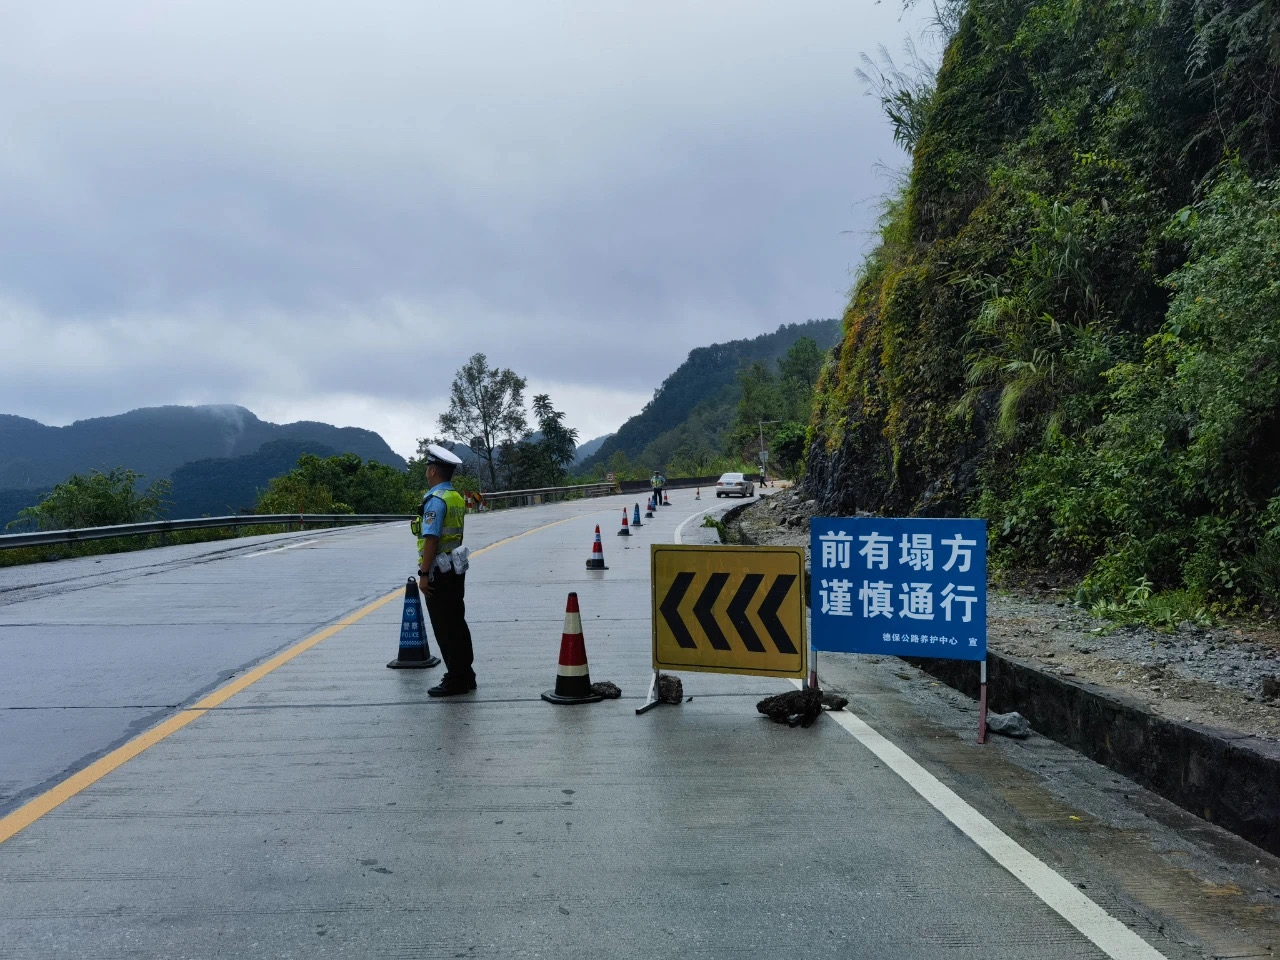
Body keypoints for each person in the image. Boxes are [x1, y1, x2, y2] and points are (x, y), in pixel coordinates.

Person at [416, 444, 475, 697]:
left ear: (432, 471)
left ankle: (455, 679)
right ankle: (466, 674)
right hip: (455, 568)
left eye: (427, 469)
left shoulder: (435, 501)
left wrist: (423, 574)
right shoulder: (456, 497)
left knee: (444, 626)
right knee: (457, 623)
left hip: (439, 571)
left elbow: (431, 539)